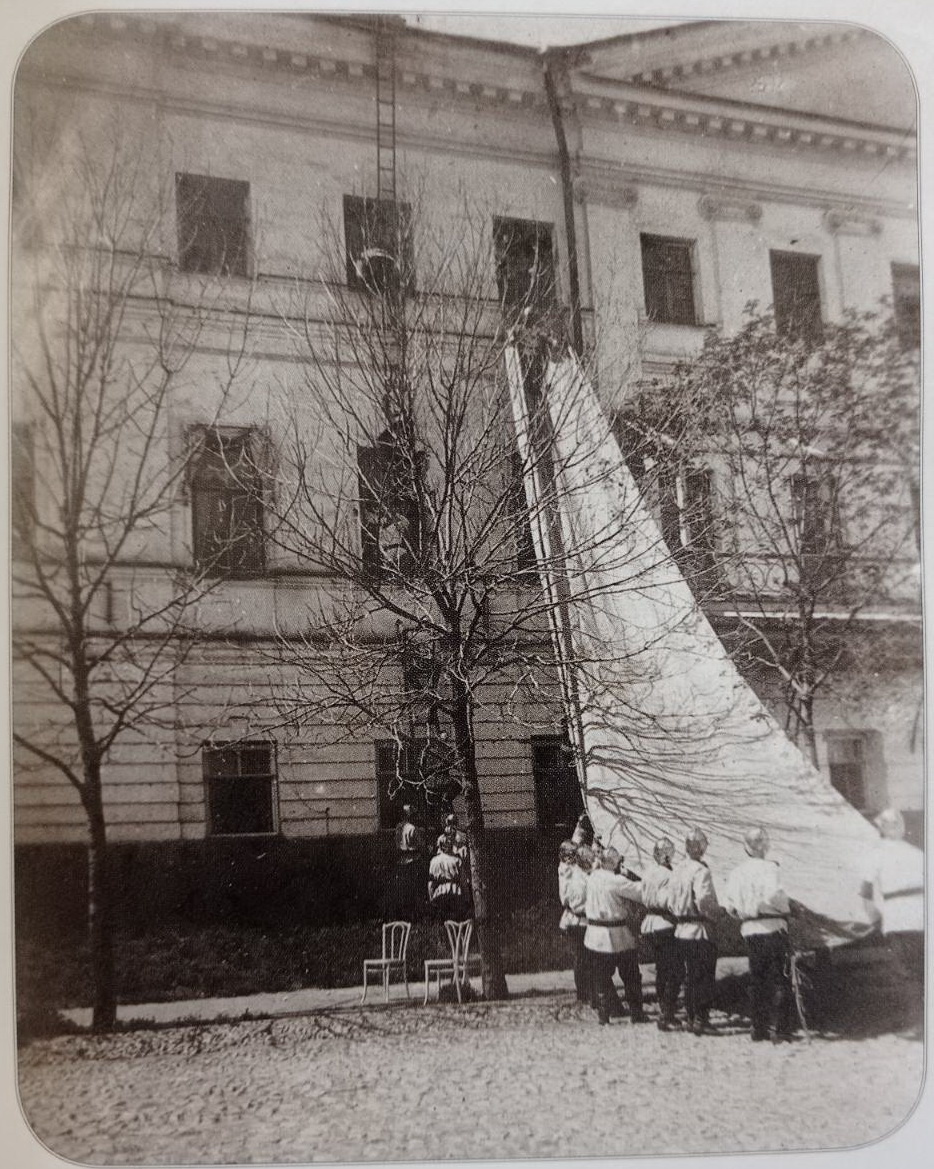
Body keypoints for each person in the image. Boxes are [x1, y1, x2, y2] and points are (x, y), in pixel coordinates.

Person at [723, 827, 795, 1043]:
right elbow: (775, 895)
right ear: (766, 845)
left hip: (750, 930)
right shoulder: (770, 868)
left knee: (758, 979)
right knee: (780, 980)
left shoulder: (737, 873)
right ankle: (781, 1030)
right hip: (772, 927)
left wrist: (744, 912)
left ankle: (759, 1027)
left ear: (746, 847)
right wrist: (787, 909)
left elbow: (730, 906)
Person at [860, 808, 923, 985]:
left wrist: (873, 918)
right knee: (919, 969)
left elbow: (866, 890)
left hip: (900, 918)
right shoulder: (918, 853)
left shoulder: (876, 854)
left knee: (907, 972)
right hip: (913, 917)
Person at [668, 828, 721, 1036]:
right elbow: (704, 900)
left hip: (681, 930)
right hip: (699, 929)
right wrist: (718, 913)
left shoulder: (678, 870)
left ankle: (691, 1017)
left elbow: (670, 902)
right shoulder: (701, 871)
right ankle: (701, 1019)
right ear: (701, 848)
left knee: (690, 976)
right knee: (703, 976)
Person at [584, 846, 645, 1025]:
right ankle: (636, 1012)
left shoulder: (592, 877)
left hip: (595, 934)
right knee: (631, 974)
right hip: (617, 933)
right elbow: (640, 893)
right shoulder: (616, 880)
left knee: (601, 975)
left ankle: (604, 1014)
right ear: (614, 863)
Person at [640, 837, 683, 1031]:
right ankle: (667, 1012)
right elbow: (671, 902)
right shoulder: (669, 875)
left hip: (649, 924)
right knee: (675, 970)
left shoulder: (648, 872)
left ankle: (664, 1008)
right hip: (665, 923)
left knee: (662, 968)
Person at [558, 840, 590, 1004]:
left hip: (575, 918)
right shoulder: (569, 872)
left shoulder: (566, 870)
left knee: (582, 956)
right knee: (582, 956)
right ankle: (584, 992)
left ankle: (585, 992)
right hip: (577, 918)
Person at [386, 803, 425, 920]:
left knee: (403, 888)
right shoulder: (412, 828)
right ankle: (413, 914)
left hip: (401, 860)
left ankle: (404, 914)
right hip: (412, 859)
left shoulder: (398, 827)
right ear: (410, 815)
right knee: (413, 888)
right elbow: (420, 845)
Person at [428, 834, 466, 921]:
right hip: (455, 891)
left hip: (440, 892)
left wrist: (431, 896)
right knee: (456, 918)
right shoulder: (457, 860)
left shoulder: (434, 861)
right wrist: (466, 897)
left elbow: (431, 881)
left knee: (443, 917)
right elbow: (463, 881)